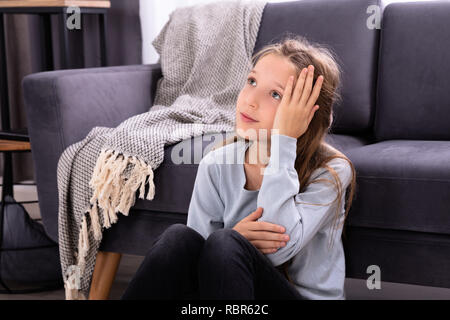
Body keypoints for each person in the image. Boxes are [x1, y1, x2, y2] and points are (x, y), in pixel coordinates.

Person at [121, 34, 357, 300]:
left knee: (224, 243)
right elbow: (192, 262)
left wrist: (284, 142)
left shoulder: (331, 171)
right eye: (252, 81)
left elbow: (277, 250)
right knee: (179, 238)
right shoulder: (217, 162)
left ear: (306, 114)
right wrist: (233, 236)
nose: (250, 100)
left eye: (275, 94)